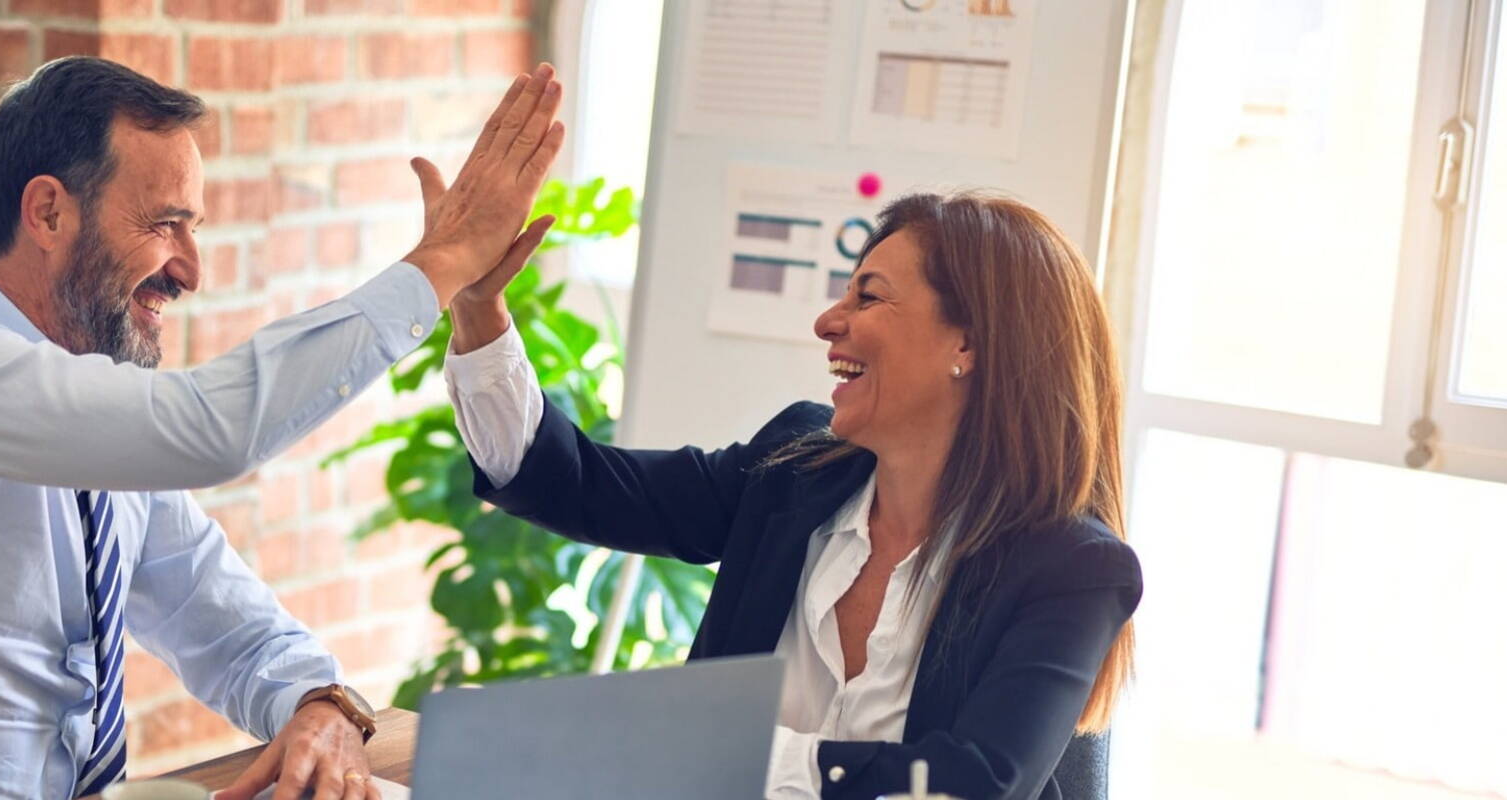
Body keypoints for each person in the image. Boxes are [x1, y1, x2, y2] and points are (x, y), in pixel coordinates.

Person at [0, 56, 565, 800]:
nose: (191, 270)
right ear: (47, 213)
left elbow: (234, 629)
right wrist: (444, 262)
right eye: (165, 223)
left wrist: (323, 705)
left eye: (194, 228)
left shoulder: (102, 452)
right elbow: (212, 429)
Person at [443, 191, 1141, 800]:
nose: (828, 322)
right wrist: (479, 311)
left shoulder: (1072, 568)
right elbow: (577, 484)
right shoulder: (794, 470)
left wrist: (729, 756)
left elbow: (975, 784)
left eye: (867, 296)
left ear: (969, 344)